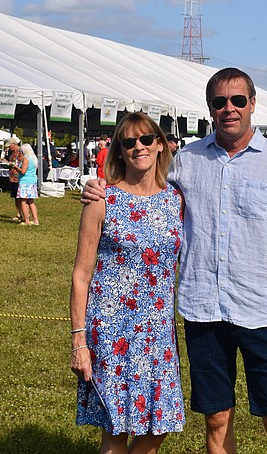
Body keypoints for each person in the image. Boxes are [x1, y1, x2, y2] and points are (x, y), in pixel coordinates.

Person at [83, 67, 267, 454]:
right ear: (210, 108)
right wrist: (101, 185)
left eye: (237, 100)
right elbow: (145, 182)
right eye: (219, 102)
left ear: (252, 104)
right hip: (204, 312)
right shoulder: (186, 160)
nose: (229, 108)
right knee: (216, 419)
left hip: (263, 311)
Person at [70, 112, 185, 452]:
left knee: (161, 422)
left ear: (161, 145)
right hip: (112, 329)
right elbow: (81, 274)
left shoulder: (176, 199)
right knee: (116, 427)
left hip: (158, 330)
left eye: (146, 139)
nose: (139, 147)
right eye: (129, 142)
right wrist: (78, 341)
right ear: (119, 151)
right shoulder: (102, 199)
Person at [15, 143, 39, 226]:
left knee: (23, 201)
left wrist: (15, 167)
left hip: (25, 182)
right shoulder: (34, 158)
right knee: (31, 201)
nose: (21, 152)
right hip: (32, 181)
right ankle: (35, 220)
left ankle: (26, 220)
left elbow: (23, 171)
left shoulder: (26, 159)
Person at [1, 136, 23, 222]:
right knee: (16, 197)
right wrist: (5, 162)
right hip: (12, 177)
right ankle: (18, 213)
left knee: (21, 197)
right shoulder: (11, 153)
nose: (9, 148)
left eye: (10, 146)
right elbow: (11, 163)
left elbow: (21, 163)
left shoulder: (20, 152)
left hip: (18, 177)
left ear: (14, 144)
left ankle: (24, 214)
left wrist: (12, 164)